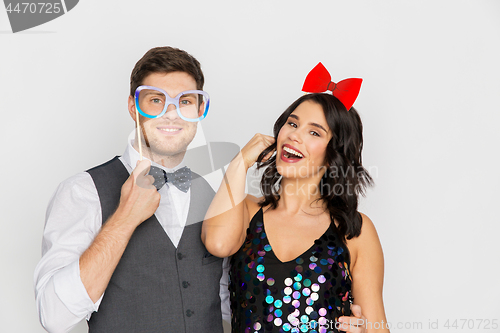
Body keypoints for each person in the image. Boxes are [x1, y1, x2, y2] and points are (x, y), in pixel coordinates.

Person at [34, 46, 229, 332]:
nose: (171, 114)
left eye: (185, 101)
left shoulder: (214, 196)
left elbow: (230, 301)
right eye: (156, 100)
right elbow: (54, 317)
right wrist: (124, 219)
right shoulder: (82, 191)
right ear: (133, 107)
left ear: (199, 110)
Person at [202, 63, 389, 332]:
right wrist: (240, 162)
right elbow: (218, 244)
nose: (294, 135)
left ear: (334, 153)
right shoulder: (246, 210)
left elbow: (376, 327)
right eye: (292, 123)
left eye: (314, 132)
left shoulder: (355, 230)